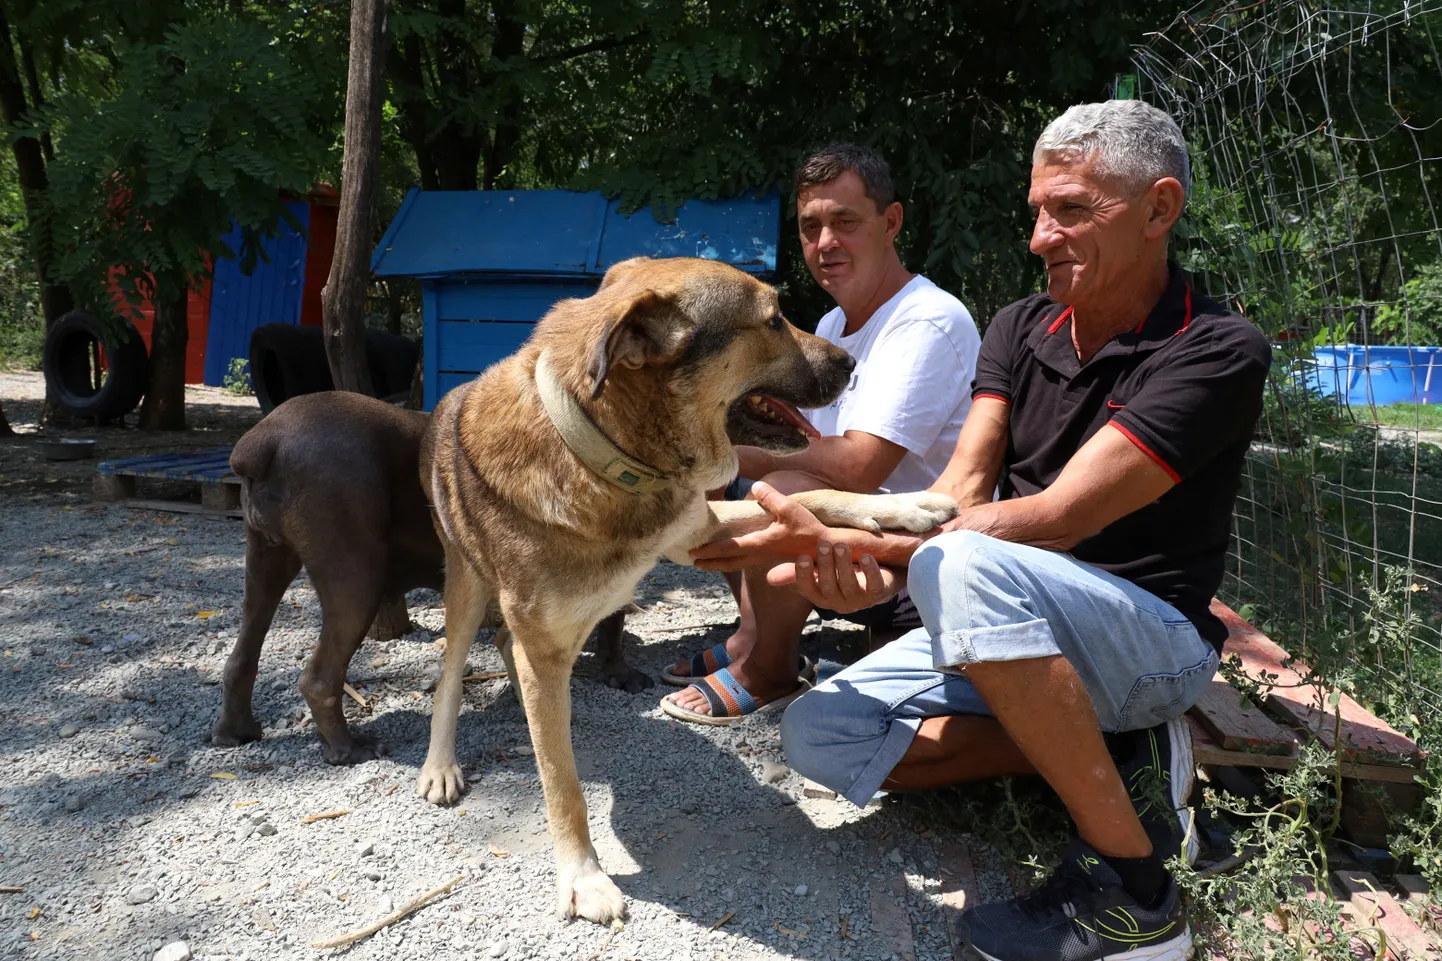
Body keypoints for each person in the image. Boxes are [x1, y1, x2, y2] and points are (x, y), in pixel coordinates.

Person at [691, 100, 1272, 961]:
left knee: (968, 558)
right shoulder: (1019, 326)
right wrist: (867, 563)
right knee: (820, 735)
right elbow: (957, 490)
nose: (1041, 238)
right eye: (1038, 211)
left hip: (1148, 637)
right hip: (1007, 616)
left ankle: (1137, 895)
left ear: (1160, 209)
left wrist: (805, 534)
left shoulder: (1217, 348)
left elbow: (1058, 515)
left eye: (1072, 209)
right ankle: (1113, 751)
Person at [659, 142, 981, 724]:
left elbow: (858, 467)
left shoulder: (927, 320)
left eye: (845, 222)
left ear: (891, 223)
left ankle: (771, 669)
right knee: (735, 475)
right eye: (811, 226)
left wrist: (718, 453)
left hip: (916, 560)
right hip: (851, 533)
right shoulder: (836, 322)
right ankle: (750, 638)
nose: (825, 242)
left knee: (771, 479)